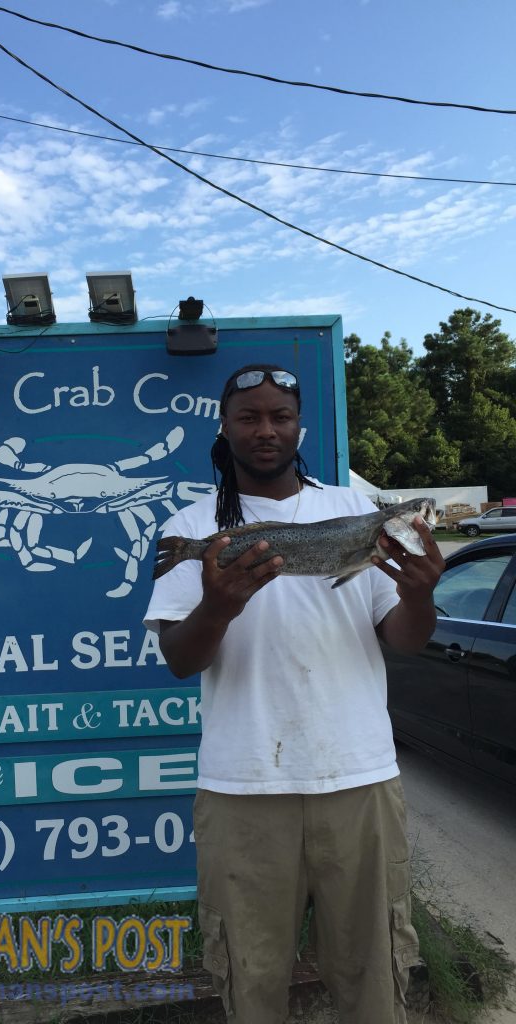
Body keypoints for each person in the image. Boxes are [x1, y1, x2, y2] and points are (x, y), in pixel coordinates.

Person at [143, 363, 444, 1024]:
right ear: (224, 428)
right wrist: (217, 609)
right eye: (249, 417)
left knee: (374, 981)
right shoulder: (192, 526)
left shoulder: (356, 514)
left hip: (360, 779)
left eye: (280, 415)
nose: (266, 429)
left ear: (300, 424)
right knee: (251, 986)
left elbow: (405, 637)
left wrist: (421, 594)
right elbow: (177, 659)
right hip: (241, 785)